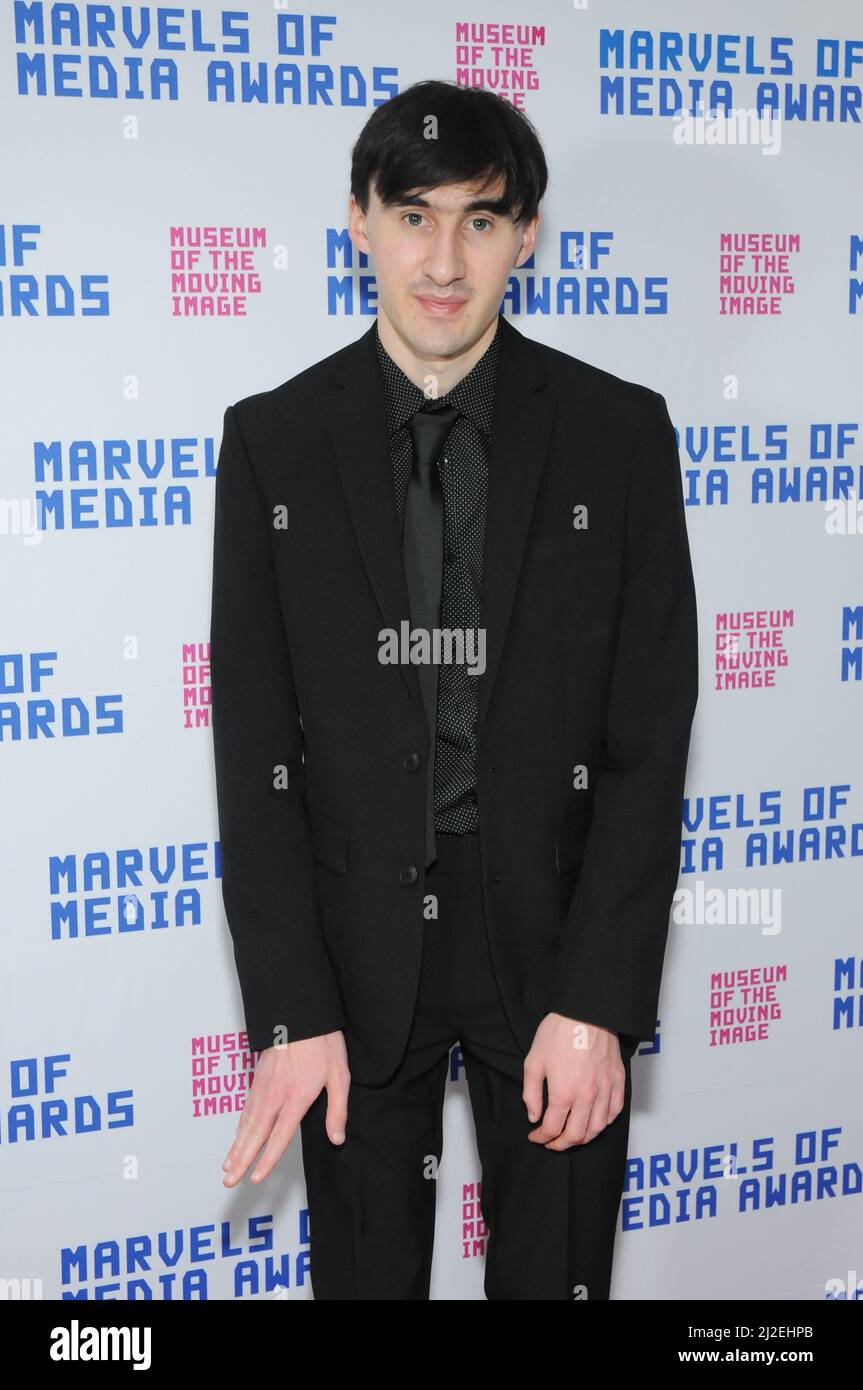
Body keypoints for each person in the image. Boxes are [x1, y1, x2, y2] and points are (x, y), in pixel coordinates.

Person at [209, 79, 699, 1300]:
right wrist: (288, 1008)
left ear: (525, 235)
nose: (442, 259)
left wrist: (600, 998)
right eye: (412, 215)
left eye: (479, 221)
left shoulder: (618, 434)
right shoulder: (272, 441)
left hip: (551, 950)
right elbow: (254, 747)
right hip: (348, 956)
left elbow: (646, 739)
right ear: (358, 221)